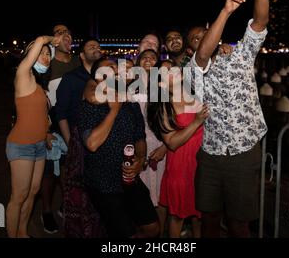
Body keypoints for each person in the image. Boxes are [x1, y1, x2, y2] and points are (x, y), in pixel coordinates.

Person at [190, 0, 269, 238]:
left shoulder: (240, 56)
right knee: (209, 219)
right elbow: (202, 54)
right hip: (211, 155)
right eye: (195, 38)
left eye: (205, 33)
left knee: (239, 224)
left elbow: (259, 22)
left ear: (214, 30)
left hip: (243, 152)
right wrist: (225, 11)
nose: (201, 40)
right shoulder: (194, 69)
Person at [79, 58, 159, 238]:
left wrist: (140, 159)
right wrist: (113, 111)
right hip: (104, 183)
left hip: (130, 179)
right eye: (109, 67)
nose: (115, 69)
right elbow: (92, 144)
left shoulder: (130, 104)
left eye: (116, 67)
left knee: (152, 227)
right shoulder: (89, 105)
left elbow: (140, 137)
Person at [5, 34, 62, 238]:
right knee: (18, 196)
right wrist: (49, 40)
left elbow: (40, 116)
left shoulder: (39, 86)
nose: (46, 57)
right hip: (21, 145)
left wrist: (45, 133)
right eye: (41, 53)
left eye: (49, 54)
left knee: (32, 192)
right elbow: (39, 39)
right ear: (31, 55)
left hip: (39, 145)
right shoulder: (23, 75)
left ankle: (22, 232)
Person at [147, 61, 209, 238]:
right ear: (160, 83)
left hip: (202, 164)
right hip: (180, 167)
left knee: (199, 216)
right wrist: (197, 122)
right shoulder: (164, 106)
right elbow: (172, 142)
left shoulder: (195, 94)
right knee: (177, 217)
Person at [41, 24, 80, 234]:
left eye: (67, 32)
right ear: (52, 39)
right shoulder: (46, 64)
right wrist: (43, 130)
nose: (65, 34)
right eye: (58, 32)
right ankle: (46, 211)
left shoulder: (77, 62)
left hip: (72, 126)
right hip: (49, 126)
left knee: (68, 171)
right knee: (48, 174)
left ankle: (66, 205)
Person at [133, 49, 169, 237]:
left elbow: (171, 121)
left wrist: (165, 146)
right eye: (144, 57)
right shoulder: (128, 85)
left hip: (159, 143)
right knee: (139, 194)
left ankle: (160, 235)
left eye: (153, 58)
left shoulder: (162, 88)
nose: (148, 60)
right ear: (138, 61)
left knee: (161, 194)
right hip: (136, 144)